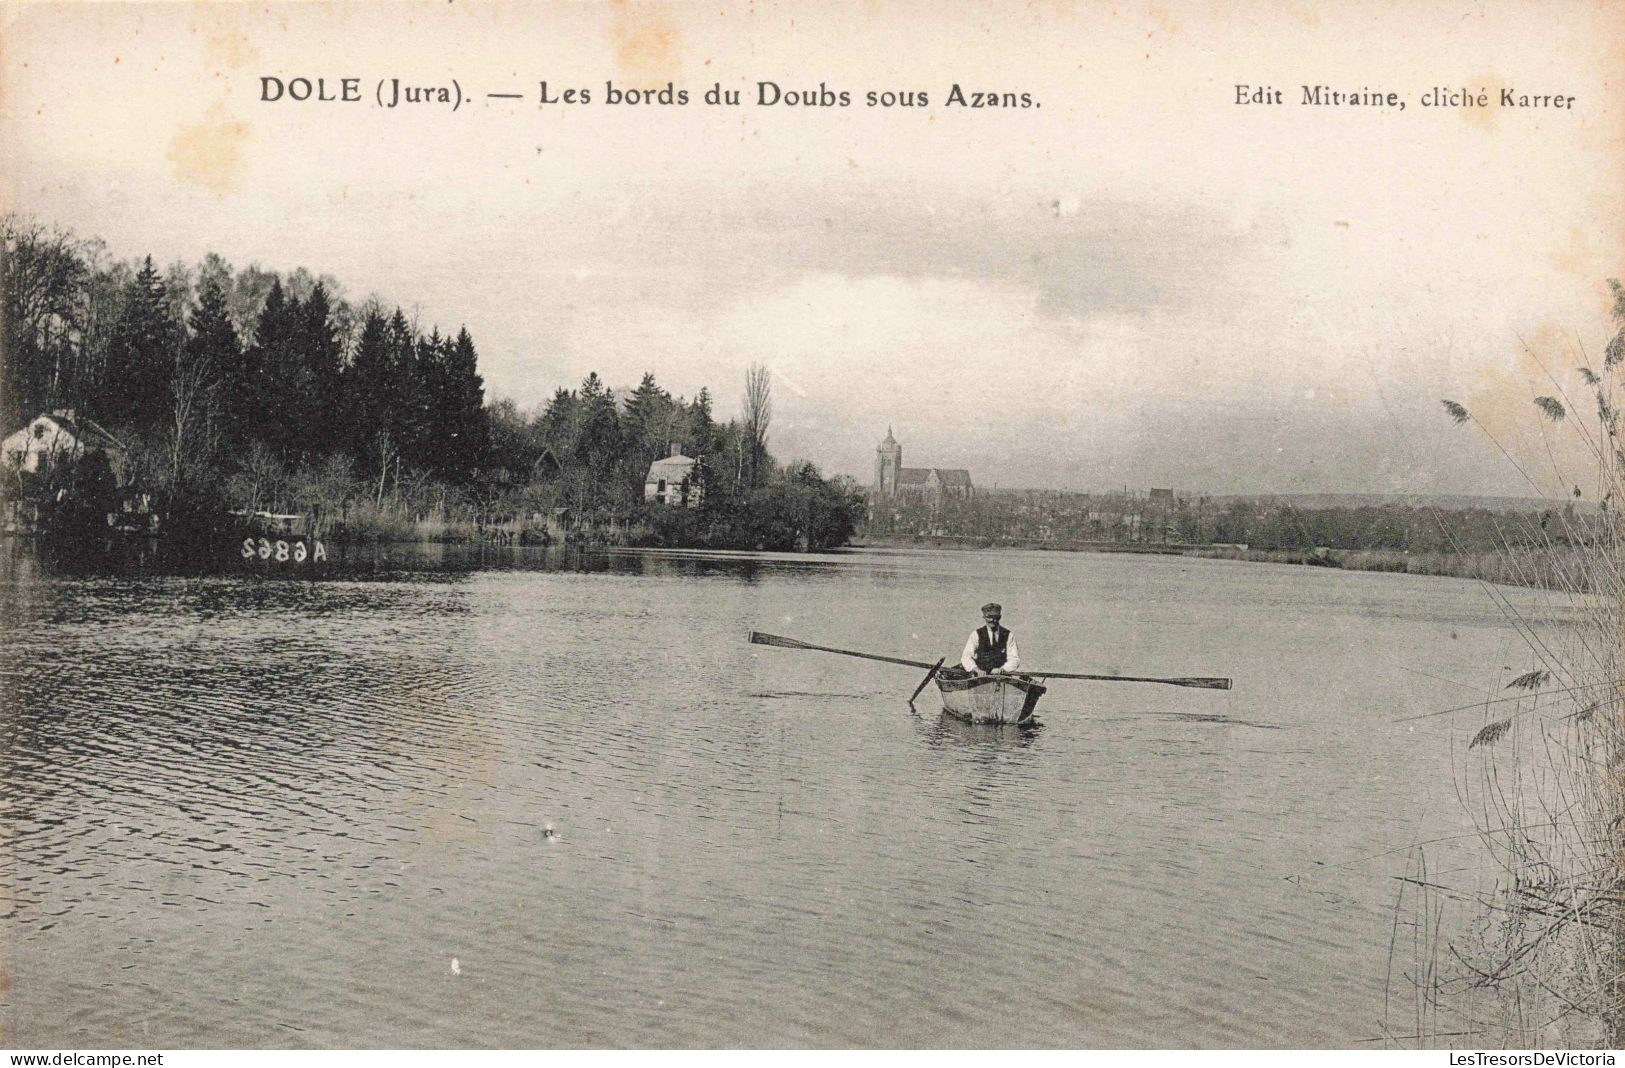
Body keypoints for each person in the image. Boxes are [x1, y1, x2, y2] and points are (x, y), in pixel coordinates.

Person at [961, 602, 1021, 675]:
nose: (992, 620)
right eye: (989, 617)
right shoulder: (976, 634)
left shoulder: (1008, 635)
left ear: (1000, 617)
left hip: (1002, 678)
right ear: (984, 617)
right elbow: (966, 656)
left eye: (995, 617)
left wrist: (1002, 669)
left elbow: (1014, 659)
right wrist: (976, 669)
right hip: (980, 679)